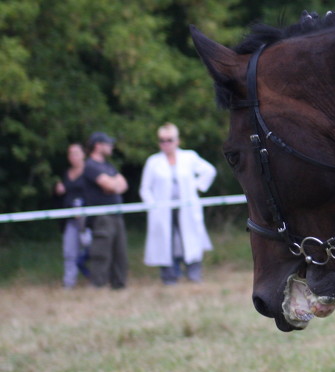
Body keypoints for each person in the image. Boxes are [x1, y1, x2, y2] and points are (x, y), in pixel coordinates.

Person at [139, 122, 217, 284]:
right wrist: (153, 206)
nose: (166, 144)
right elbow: (145, 188)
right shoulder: (153, 162)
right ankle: (169, 276)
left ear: (177, 140)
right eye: (162, 140)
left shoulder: (189, 157)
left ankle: (194, 274)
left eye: (169, 140)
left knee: (190, 239)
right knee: (166, 242)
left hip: (186, 208)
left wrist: (196, 187)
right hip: (163, 211)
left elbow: (209, 171)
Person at [82, 131, 129, 289]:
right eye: (108, 143)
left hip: (116, 214)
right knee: (102, 252)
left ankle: (118, 284)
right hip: (102, 217)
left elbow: (123, 184)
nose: (111, 146)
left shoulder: (107, 165)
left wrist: (113, 185)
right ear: (98, 146)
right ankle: (98, 284)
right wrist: (113, 185)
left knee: (120, 253)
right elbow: (109, 185)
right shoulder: (90, 165)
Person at [52, 142, 91, 288]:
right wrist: (58, 191)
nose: (72, 156)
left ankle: (94, 277)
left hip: (87, 218)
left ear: (83, 154)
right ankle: (69, 282)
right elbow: (61, 196)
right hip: (70, 218)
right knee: (69, 251)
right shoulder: (66, 173)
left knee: (92, 249)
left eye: (75, 153)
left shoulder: (90, 171)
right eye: (70, 154)